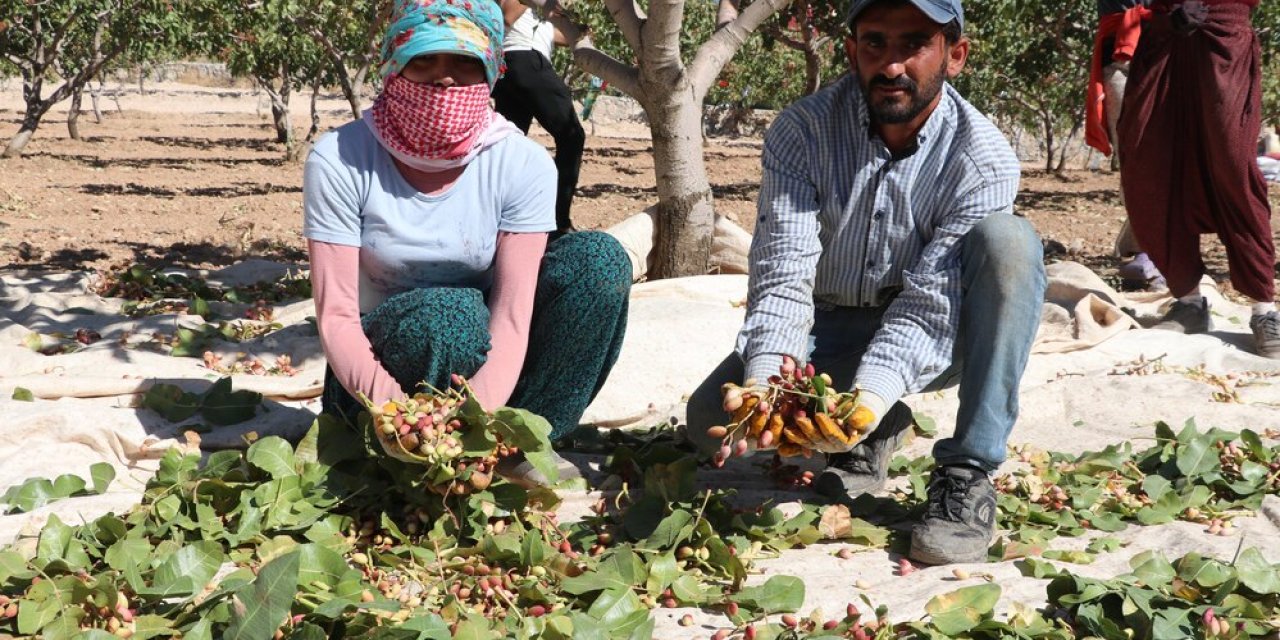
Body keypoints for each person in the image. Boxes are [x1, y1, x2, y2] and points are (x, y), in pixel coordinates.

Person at [686, 0, 1046, 565]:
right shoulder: (802, 131)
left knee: (1010, 245)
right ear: (851, 50)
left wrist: (871, 394)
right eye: (875, 43)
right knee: (709, 419)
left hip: (942, 328)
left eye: (914, 44)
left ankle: (968, 471)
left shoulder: (982, 157)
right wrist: (767, 382)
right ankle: (881, 427)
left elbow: (931, 303)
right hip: (827, 327)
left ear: (956, 55)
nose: (892, 65)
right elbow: (784, 270)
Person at [303, 0, 632, 485]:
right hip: (374, 382)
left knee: (599, 263)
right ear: (395, 62)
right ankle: (396, 453)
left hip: (487, 364)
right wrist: (394, 412)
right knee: (449, 316)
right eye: (424, 59)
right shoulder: (340, 158)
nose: (444, 78)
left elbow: (512, 314)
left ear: (491, 68)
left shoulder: (522, 164)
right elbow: (336, 316)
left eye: (464, 61)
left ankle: (518, 445)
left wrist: (477, 421)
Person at [1116, 0, 1279, 358]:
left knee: (1233, 166)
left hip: (1223, 34)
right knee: (1149, 164)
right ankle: (1189, 301)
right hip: (1164, 32)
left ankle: (1264, 309)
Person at [1084, 0, 1165, 291]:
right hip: (1117, 56)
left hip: (1164, 51)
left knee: (1161, 156)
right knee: (1134, 158)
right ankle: (1142, 250)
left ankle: (1147, 250)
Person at [492, 0, 585, 233]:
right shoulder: (528, 6)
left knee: (507, 146)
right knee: (572, 136)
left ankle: (499, 218)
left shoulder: (537, 17)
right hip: (525, 60)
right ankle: (558, 222)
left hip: (512, 69)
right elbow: (507, 16)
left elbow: (559, 35)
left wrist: (579, 25)